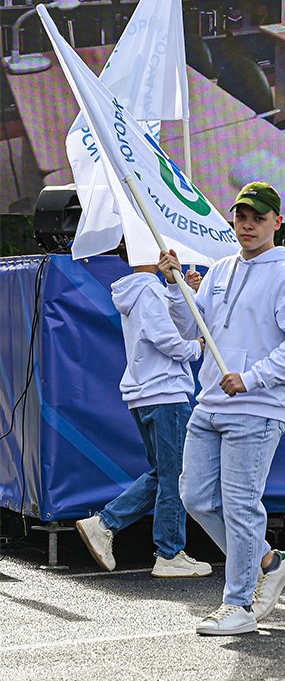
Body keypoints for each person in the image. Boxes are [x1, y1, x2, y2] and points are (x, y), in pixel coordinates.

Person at [170, 182, 285, 636]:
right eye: (241, 217)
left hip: (258, 407)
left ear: (277, 222)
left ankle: (238, 605)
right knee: (195, 496)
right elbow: (190, 324)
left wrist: (252, 377)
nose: (248, 225)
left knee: (239, 506)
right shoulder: (219, 269)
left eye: (257, 217)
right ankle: (269, 562)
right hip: (211, 403)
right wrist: (177, 285)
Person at [74, 248, 211, 578]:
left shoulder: (143, 288)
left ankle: (105, 524)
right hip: (164, 393)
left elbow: (173, 324)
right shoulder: (147, 288)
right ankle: (168, 552)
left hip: (148, 393)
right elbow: (169, 337)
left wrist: (179, 287)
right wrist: (198, 348)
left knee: (164, 472)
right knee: (174, 474)